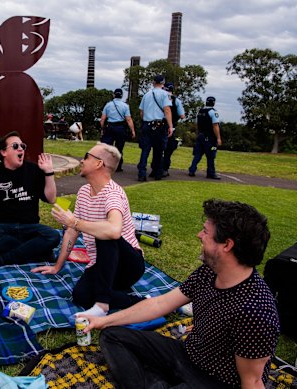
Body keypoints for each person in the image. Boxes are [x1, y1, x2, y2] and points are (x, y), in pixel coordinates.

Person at [81, 199, 280, 388]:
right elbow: (160, 304)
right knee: (112, 336)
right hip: (187, 354)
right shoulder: (208, 272)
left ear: (226, 245)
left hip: (215, 381)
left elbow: (252, 382)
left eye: (205, 232)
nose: (199, 235)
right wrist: (103, 321)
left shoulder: (256, 312)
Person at [33, 143, 144, 316]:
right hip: (103, 265)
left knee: (104, 233)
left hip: (128, 265)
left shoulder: (113, 193)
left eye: (86, 156)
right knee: (80, 296)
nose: (81, 160)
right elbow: (71, 230)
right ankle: (142, 302)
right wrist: (57, 266)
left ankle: (102, 305)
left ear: (99, 164)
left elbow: (114, 231)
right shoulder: (84, 191)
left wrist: (75, 222)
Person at [0, 131, 60, 269]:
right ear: (3, 152)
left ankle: (3, 259)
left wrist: (49, 172)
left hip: (30, 227)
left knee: (53, 236)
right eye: (15, 146)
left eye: (22, 145)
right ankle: (38, 252)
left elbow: (51, 199)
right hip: (3, 228)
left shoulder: (33, 170)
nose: (21, 148)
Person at [136, 75, 173, 181]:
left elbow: (141, 112)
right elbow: (167, 110)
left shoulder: (146, 95)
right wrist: (170, 126)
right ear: (163, 83)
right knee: (158, 151)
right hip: (159, 125)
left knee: (145, 151)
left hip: (147, 124)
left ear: (153, 82)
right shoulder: (165, 94)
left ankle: (142, 174)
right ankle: (157, 173)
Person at [100, 89, 136, 172]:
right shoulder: (125, 106)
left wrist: (102, 128)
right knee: (119, 148)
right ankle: (118, 166)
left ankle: (105, 165)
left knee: (107, 148)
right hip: (120, 127)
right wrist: (133, 131)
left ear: (114, 95)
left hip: (110, 127)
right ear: (122, 95)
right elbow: (129, 119)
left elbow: (102, 119)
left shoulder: (108, 105)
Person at [188, 96, 222, 179]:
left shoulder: (200, 111)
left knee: (198, 154)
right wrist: (218, 138)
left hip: (200, 136)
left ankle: (192, 170)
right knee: (210, 155)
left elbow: (197, 124)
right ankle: (211, 173)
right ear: (213, 103)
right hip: (209, 137)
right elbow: (215, 126)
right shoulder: (213, 112)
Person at [161, 82, 186, 177]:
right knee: (168, 149)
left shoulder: (160, 98)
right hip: (171, 127)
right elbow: (182, 116)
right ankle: (164, 169)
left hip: (158, 125)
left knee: (158, 148)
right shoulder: (176, 101)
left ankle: (156, 167)